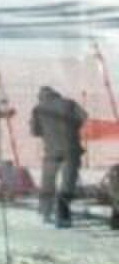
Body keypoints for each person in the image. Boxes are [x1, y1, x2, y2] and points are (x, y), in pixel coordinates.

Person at [30, 85, 88, 227]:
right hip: (71, 149)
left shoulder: (38, 109)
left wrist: (47, 130)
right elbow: (84, 117)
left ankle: (45, 211)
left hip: (51, 151)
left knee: (48, 180)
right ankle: (63, 212)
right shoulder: (70, 103)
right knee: (68, 181)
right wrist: (72, 128)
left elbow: (34, 131)